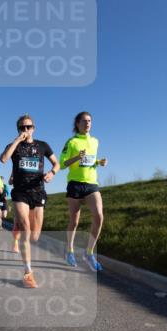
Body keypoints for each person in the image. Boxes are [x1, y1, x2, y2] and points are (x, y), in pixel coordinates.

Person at [1, 114, 59, 288]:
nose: (25, 130)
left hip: (38, 192)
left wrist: (52, 173)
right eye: (22, 127)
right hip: (20, 192)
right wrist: (17, 140)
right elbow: (3, 159)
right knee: (26, 228)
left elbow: (56, 164)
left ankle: (18, 225)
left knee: (34, 236)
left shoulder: (43, 145)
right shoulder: (14, 146)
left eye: (28, 127)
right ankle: (28, 273)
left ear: (34, 128)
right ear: (18, 129)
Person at [60, 111, 108, 271]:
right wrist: (76, 158)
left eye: (89, 121)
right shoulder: (71, 142)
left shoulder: (95, 141)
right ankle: (69, 251)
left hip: (91, 184)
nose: (87, 123)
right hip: (74, 184)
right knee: (74, 221)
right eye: (84, 121)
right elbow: (62, 164)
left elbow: (91, 160)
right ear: (77, 124)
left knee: (99, 216)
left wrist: (99, 162)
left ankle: (89, 253)